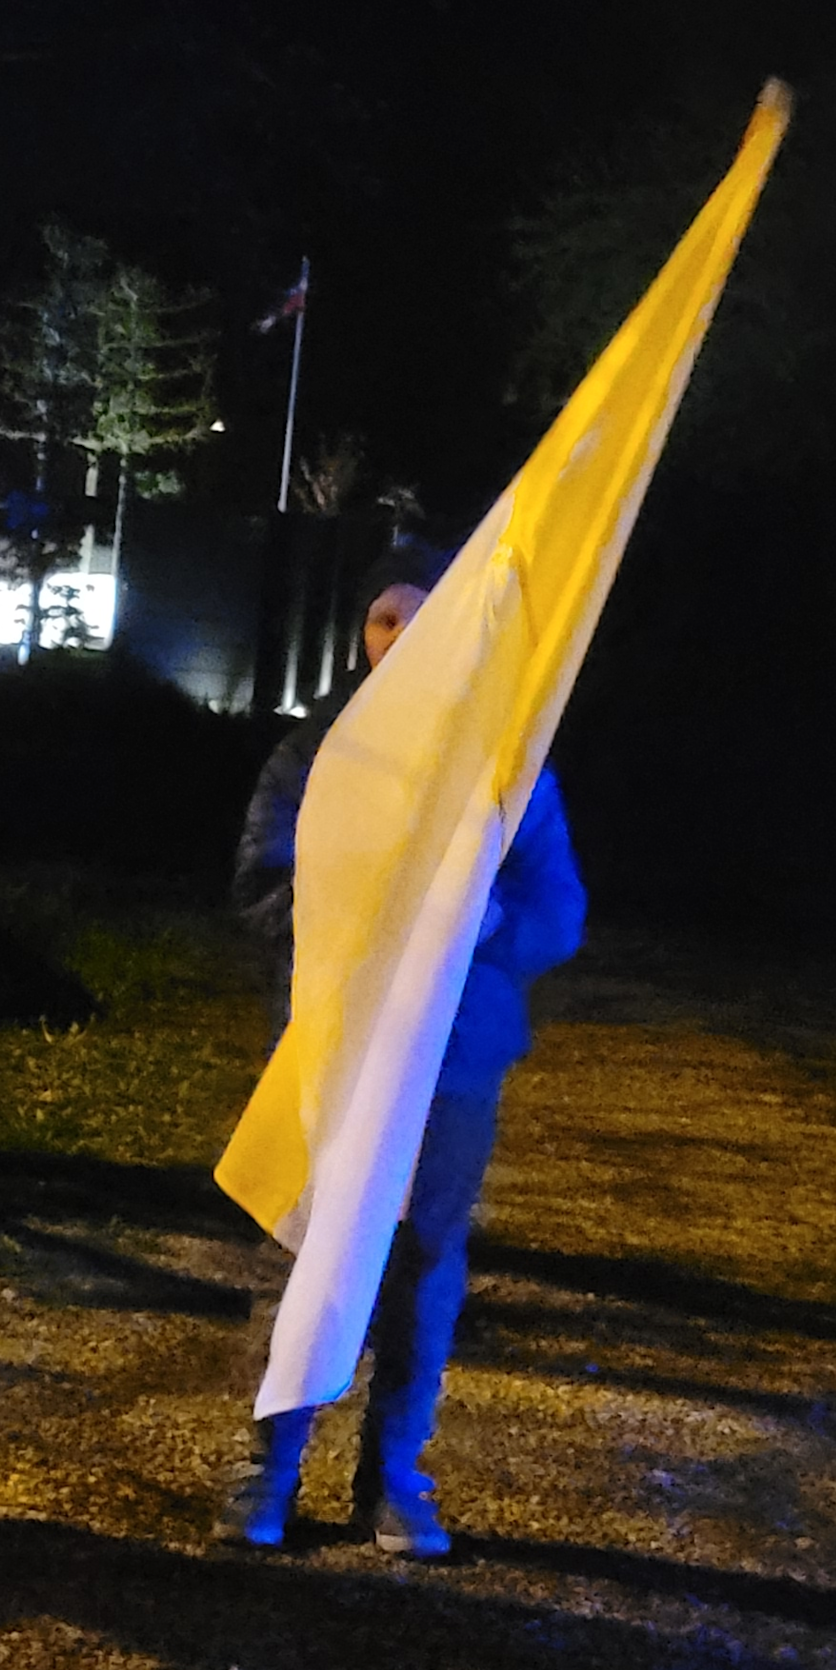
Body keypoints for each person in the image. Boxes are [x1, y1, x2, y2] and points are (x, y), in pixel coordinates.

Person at [218, 538, 586, 1558]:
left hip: (454, 1062)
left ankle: (393, 1483)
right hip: (334, 1052)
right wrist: (355, 914)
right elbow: (261, 885)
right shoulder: (315, 754)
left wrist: (481, 924)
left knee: (422, 1264)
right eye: (384, 618)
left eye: (424, 618)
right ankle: (266, 1475)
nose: (400, 638)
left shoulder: (511, 764)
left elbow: (558, 914)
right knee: (304, 1248)